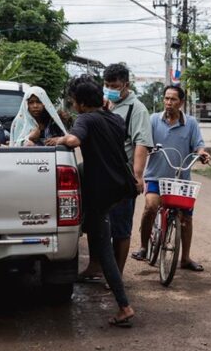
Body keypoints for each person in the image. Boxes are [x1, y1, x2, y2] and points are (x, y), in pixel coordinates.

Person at [46, 80, 140, 327]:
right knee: (97, 226)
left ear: (82, 103)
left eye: (73, 100)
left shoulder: (85, 120)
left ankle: (124, 306)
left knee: (103, 246)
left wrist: (59, 140)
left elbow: (75, 141)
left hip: (102, 192)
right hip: (120, 185)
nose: (72, 104)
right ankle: (87, 227)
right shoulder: (114, 119)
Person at [79, 63, 153, 281]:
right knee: (95, 221)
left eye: (114, 85)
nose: (109, 88)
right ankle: (95, 266)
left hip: (121, 178)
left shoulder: (137, 109)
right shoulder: (104, 104)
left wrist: (137, 176)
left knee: (120, 228)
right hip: (99, 176)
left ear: (126, 85)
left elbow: (141, 144)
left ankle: (116, 276)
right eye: (106, 84)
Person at [133, 83, 210, 271]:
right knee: (151, 206)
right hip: (155, 177)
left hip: (181, 180)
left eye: (173, 99)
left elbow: (198, 145)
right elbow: (143, 143)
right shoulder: (152, 120)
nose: (168, 102)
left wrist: (202, 153)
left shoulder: (190, 123)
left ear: (181, 102)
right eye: (166, 98)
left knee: (186, 218)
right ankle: (144, 247)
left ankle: (185, 258)